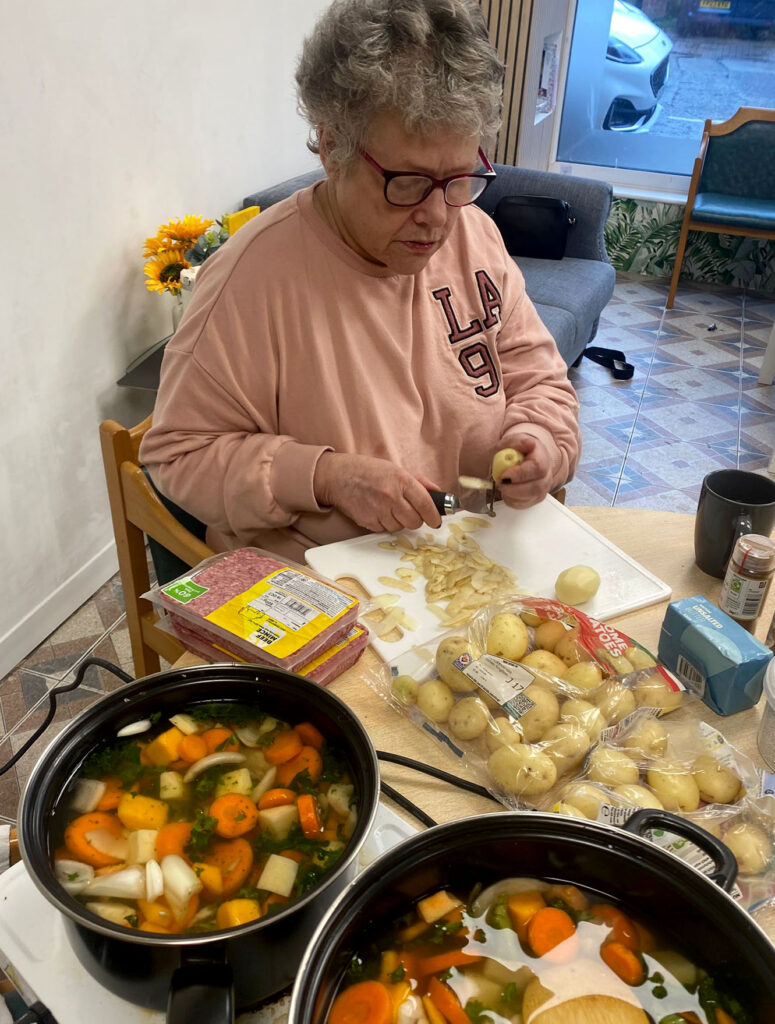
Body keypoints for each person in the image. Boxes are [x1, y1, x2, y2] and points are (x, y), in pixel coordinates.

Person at [140, 0, 580, 564]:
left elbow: (541, 383)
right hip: (326, 590)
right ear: (331, 147)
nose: (439, 217)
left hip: (468, 557)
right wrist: (326, 475)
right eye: (409, 182)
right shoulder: (249, 282)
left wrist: (541, 442)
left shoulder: (476, 235)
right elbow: (178, 457)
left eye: (460, 178)